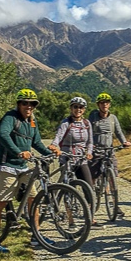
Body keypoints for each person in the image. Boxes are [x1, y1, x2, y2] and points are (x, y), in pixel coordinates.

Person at [0, 89, 55, 253]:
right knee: (1, 203)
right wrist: (18, 152)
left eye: (32, 104)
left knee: (33, 199)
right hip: (7, 165)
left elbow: (37, 142)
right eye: (25, 103)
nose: (28, 106)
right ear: (19, 104)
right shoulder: (10, 117)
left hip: (23, 166)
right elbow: (3, 135)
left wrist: (50, 153)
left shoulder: (32, 121)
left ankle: (36, 236)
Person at [48, 96, 97, 225]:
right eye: (75, 107)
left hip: (81, 159)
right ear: (71, 108)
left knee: (89, 188)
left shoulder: (87, 124)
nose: (78, 109)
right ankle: (70, 219)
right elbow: (58, 136)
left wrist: (90, 153)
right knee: (68, 188)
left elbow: (90, 142)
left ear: (84, 109)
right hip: (67, 159)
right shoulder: (66, 123)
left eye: (81, 107)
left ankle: (90, 218)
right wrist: (54, 146)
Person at [88, 92, 131, 217]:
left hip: (109, 150)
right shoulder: (93, 116)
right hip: (96, 151)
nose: (104, 105)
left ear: (109, 104)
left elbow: (118, 132)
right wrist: (90, 145)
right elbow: (88, 130)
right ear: (98, 104)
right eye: (102, 103)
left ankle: (115, 205)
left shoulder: (113, 118)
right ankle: (90, 203)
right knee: (93, 177)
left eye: (107, 102)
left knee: (113, 179)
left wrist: (124, 142)